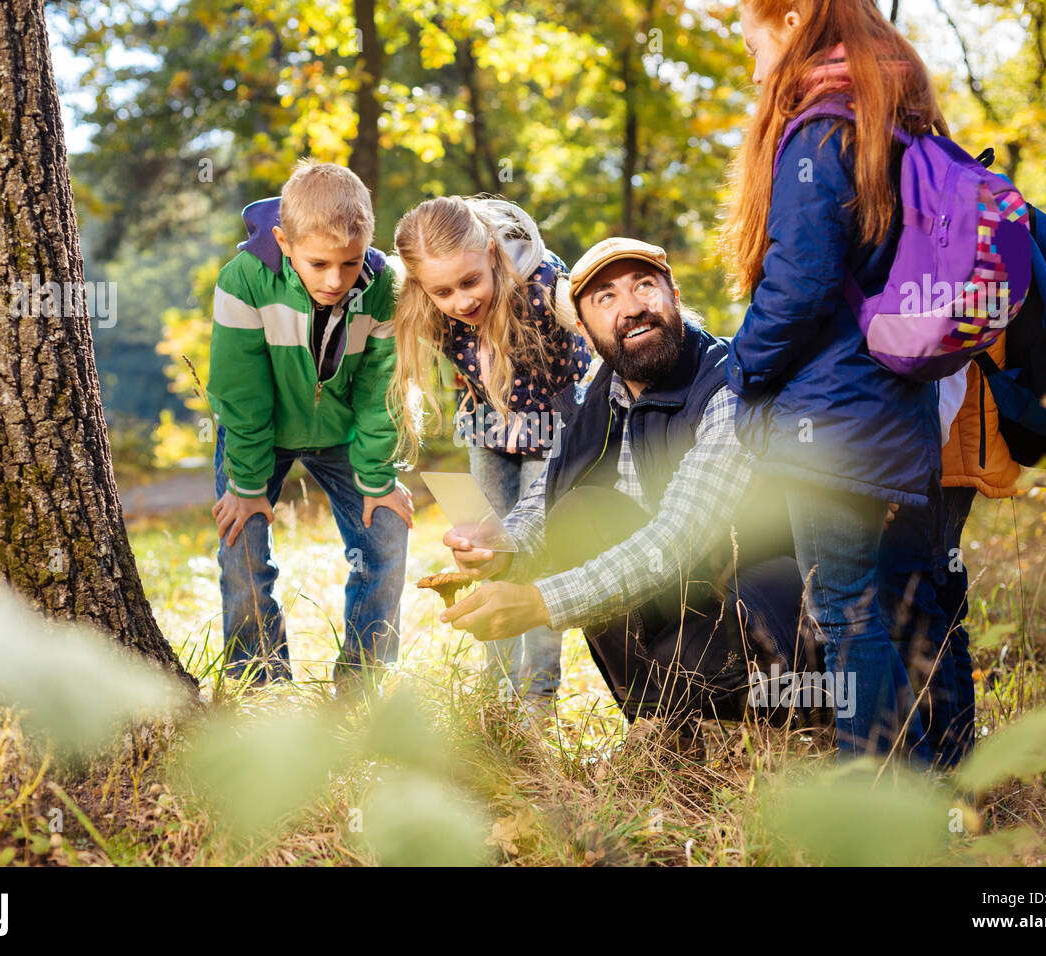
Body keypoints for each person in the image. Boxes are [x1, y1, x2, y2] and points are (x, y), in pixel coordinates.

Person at [438, 237, 811, 744]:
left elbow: (680, 539)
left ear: (673, 295)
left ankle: (754, 731)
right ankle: (666, 726)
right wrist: (501, 548)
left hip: (758, 612)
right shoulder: (600, 393)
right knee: (581, 510)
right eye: (605, 298)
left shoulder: (726, 386)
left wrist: (541, 602)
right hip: (680, 605)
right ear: (586, 332)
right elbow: (547, 494)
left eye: (644, 286)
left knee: (746, 596)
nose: (632, 307)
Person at [719, 0, 950, 760]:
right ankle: (929, 774)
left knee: (845, 607)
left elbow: (801, 281)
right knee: (891, 602)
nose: (752, 63)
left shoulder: (822, 128)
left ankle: (880, 790)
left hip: (833, 415)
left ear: (788, 22)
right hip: (896, 410)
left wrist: (741, 366)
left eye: (751, 38)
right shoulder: (899, 120)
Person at [207, 160, 411, 699]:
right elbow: (242, 392)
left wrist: (376, 474)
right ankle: (261, 684)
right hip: (261, 434)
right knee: (244, 553)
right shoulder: (244, 279)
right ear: (284, 240)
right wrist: (247, 487)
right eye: (318, 263)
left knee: (386, 532)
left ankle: (363, 686)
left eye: (349, 263)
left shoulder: (385, 285)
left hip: (345, 435)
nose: (334, 280)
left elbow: (381, 388)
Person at [390, 196, 590, 704]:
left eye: (470, 282)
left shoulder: (545, 287)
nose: (460, 301)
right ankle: (496, 695)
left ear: (493, 257)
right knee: (487, 554)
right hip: (487, 433)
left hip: (555, 432)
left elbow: (594, 328)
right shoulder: (424, 304)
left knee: (538, 553)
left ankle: (537, 698)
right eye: (443, 291)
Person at [879, 336, 1020, 767]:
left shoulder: (945, 273)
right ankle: (957, 763)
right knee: (937, 604)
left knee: (918, 608)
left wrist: (899, 462)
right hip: (945, 444)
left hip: (934, 447)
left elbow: (946, 358)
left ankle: (944, 765)